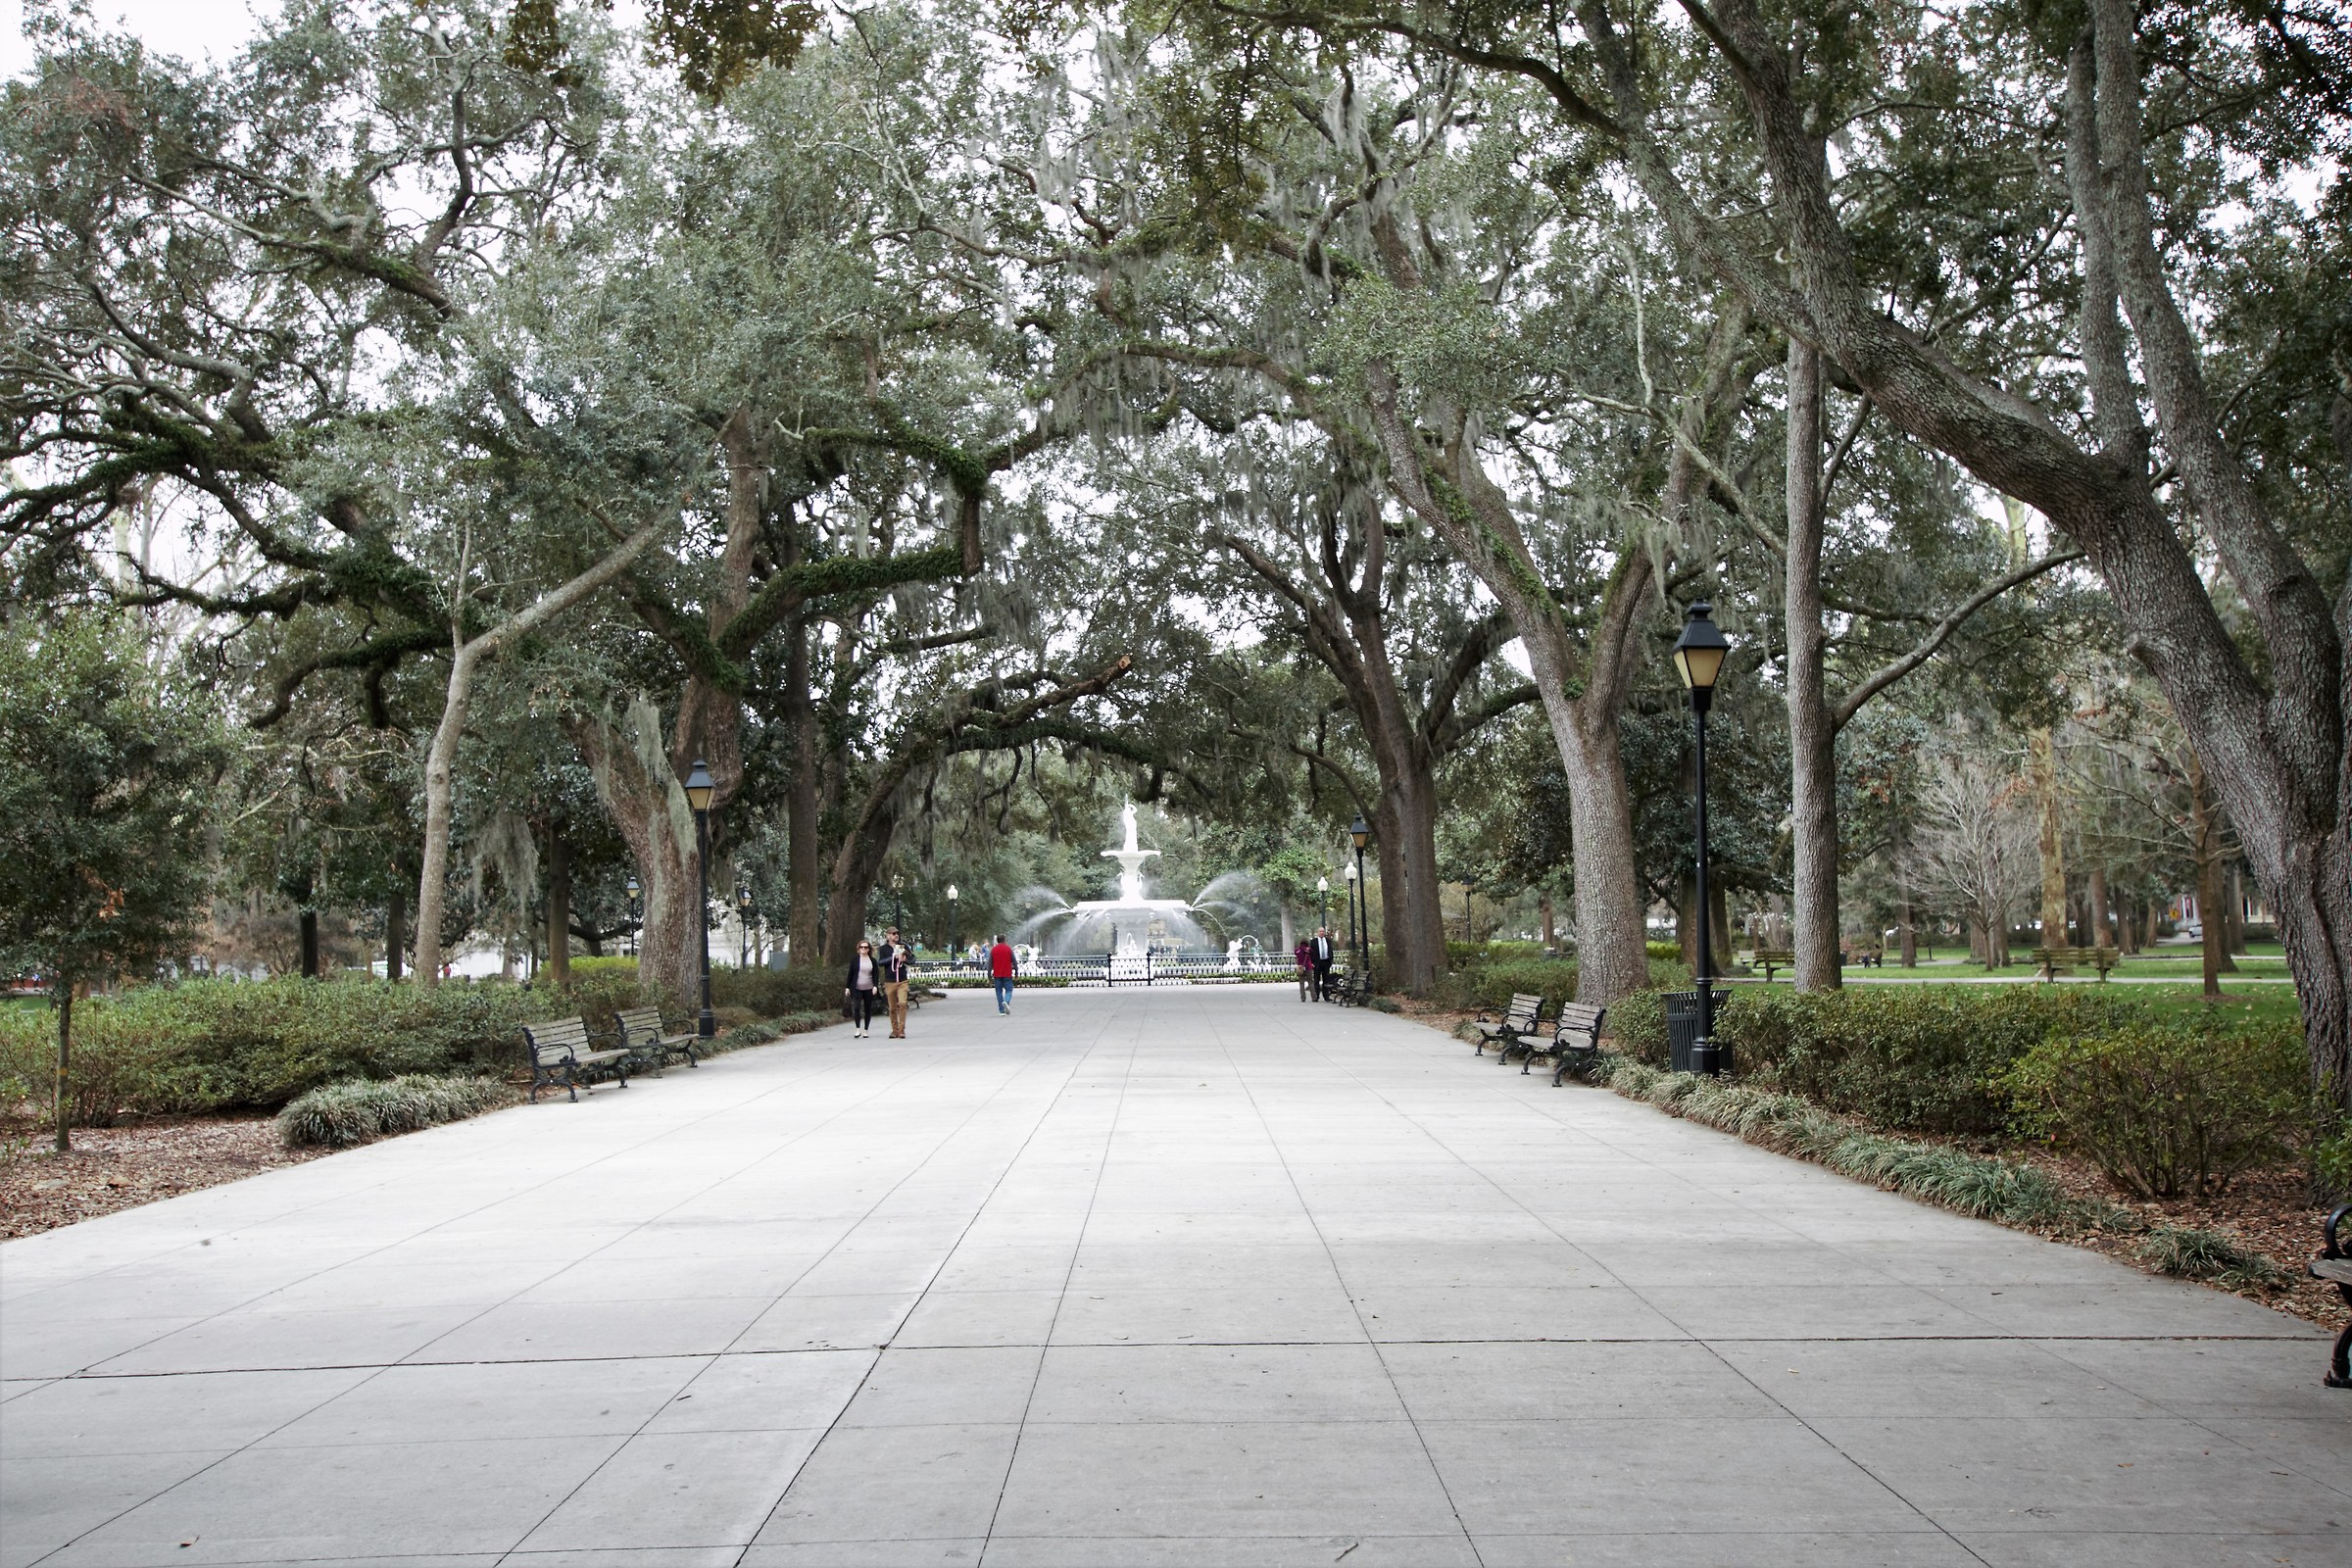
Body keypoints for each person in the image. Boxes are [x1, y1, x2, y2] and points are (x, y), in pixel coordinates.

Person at [877, 926, 913, 1040]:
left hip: (902, 980)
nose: (896, 935)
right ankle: (895, 1030)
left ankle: (901, 1030)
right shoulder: (883, 949)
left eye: (897, 933)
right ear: (888, 936)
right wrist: (892, 958)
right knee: (892, 1007)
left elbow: (913, 959)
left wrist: (905, 960)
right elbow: (880, 962)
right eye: (893, 934)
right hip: (890, 981)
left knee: (902, 1004)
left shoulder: (903, 946)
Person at [843, 939, 882, 1038]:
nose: (863, 949)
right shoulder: (855, 960)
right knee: (856, 1007)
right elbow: (850, 974)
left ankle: (866, 1030)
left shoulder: (872, 961)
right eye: (861, 947)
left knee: (867, 1009)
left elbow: (876, 974)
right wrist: (847, 987)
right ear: (859, 949)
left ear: (869, 949)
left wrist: (875, 986)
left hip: (869, 987)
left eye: (865, 947)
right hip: (856, 988)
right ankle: (857, 1029)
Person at [989, 934, 1017, 1013]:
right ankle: (1006, 1001)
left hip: (997, 974)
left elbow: (990, 964)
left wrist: (989, 975)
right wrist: (1016, 973)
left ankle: (1001, 1010)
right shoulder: (1009, 949)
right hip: (1007, 973)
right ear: (1004, 940)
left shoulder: (993, 950)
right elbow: (1014, 962)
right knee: (1009, 990)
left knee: (998, 992)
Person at [1310, 926, 1336, 1002]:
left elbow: (1330, 951)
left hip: (1326, 962)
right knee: (1316, 980)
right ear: (1318, 933)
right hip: (1317, 963)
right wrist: (1312, 963)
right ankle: (1316, 996)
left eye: (1323, 931)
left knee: (1326, 980)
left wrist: (1330, 961)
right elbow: (1311, 953)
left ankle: (1326, 996)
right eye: (1320, 931)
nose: (1321, 933)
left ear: (1324, 932)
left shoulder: (1328, 941)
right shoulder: (1313, 942)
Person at [1295, 935, 1313, 1002]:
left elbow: (1296, 954)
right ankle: (1314, 997)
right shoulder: (1308, 949)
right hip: (1308, 967)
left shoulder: (1297, 950)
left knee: (1301, 983)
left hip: (1300, 968)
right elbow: (1312, 953)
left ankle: (1303, 998)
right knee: (1310, 982)